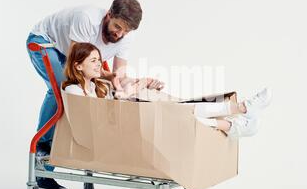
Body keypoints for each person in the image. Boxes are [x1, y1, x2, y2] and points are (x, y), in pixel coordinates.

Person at [26, 0, 163, 189]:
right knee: (64, 94)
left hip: (77, 54)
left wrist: (140, 83)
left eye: (125, 31)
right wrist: (107, 76)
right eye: (117, 26)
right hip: (46, 42)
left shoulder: (126, 36)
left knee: (91, 92)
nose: (120, 34)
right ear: (108, 15)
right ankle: (42, 157)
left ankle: (78, 157)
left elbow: (118, 77)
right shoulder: (87, 20)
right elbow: (76, 66)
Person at [63, 43, 272, 140]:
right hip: (114, 130)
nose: (99, 64)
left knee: (184, 110)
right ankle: (238, 120)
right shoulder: (73, 90)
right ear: (78, 66)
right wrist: (133, 89)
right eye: (93, 60)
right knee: (182, 115)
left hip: (130, 118)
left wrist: (140, 85)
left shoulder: (100, 86)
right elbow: (101, 114)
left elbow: (118, 100)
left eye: (100, 60)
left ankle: (242, 110)